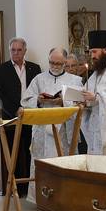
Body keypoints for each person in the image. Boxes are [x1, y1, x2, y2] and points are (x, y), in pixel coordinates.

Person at [22, 47, 83, 193]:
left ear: (65, 62)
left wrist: (63, 101)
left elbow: (80, 105)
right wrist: (37, 99)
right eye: (52, 63)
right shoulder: (39, 79)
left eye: (58, 64)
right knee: (43, 163)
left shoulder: (75, 80)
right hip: (42, 130)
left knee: (64, 163)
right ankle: (42, 197)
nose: (55, 66)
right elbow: (25, 101)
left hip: (65, 131)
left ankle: (65, 195)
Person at [0, 37, 41, 197]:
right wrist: (16, 110)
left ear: (25, 51)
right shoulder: (2, 69)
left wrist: (31, 109)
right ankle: (14, 189)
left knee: (29, 152)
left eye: (19, 50)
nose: (16, 53)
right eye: (13, 50)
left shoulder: (35, 68)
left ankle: (28, 188)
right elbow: (0, 94)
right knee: (14, 154)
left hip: (30, 116)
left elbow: (38, 90)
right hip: (11, 118)